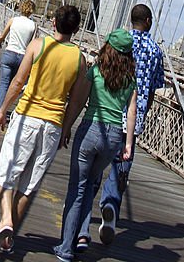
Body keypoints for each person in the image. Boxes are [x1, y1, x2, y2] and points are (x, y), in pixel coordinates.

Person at [0, 5, 85, 254]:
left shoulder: (38, 46)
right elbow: (77, 100)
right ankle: (7, 238)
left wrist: (2, 111)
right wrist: (66, 127)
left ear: (53, 23)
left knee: (5, 173)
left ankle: (6, 219)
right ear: (76, 29)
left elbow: (18, 81)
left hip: (27, 117)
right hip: (52, 126)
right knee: (29, 185)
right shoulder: (80, 59)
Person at [76, 2, 164, 249]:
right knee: (120, 169)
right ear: (147, 21)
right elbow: (153, 88)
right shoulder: (155, 50)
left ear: (131, 19)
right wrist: (142, 112)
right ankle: (110, 207)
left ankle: (82, 228)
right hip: (131, 123)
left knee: (91, 173)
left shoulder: (118, 43)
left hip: (105, 117)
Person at [53, 30, 137, 262]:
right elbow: (131, 112)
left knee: (77, 188)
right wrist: (128, 143)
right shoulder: (130, 79)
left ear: (108, 47)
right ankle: (81, 235)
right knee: (90, 184)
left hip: (91, 130)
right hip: (113, 139)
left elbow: (79, 101)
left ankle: (66, 248)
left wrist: (67, 126)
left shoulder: (96, 71)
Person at [0, 0, 37, 119]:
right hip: (23, 58)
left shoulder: (13, 20)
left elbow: (3, 35)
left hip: (9, 54)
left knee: (4, 84)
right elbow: (32, 44)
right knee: (14, 86)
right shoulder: (33, 25)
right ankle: (5, 110)